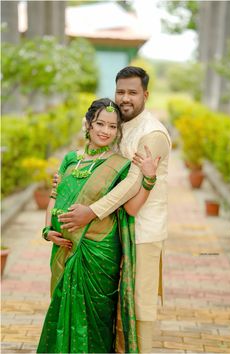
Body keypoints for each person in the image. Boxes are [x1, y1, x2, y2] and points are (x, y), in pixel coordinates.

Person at [57, 67, 171, 353]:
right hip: (114, 229)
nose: (125, 98)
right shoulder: (121, 125)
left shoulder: (153, 133)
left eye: (133, 93)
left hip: (143, 231)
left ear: (145, 95)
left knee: (140, 305)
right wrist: (66, 178)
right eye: (120, 91)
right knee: (117, 305)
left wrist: (91, 211)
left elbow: (132, 183)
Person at [37, 98, 160, 354]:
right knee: (62, 312)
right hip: (65, 250)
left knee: (96, 319)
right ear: (88, 125)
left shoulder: (121, 165)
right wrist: (48, 232)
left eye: (112, 127)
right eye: (100, 124)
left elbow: (131, 208)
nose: (105, 131)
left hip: (99, 252)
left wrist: (148, 178)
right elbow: (53, 199)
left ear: (118, 131)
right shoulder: (70, 160)